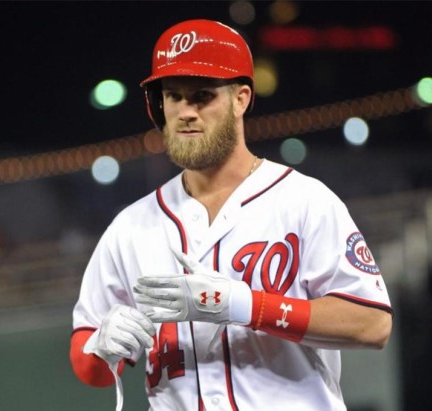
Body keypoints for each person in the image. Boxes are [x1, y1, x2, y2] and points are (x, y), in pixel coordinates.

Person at [70, 19, 393, 411]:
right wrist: (101, 348)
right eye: (173, 96)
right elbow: (89, 366)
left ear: (241, 99)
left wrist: (246, 306)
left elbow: (373, 324)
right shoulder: (131, 227)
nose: (186, 112)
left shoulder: (304, 201)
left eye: (202, 96)